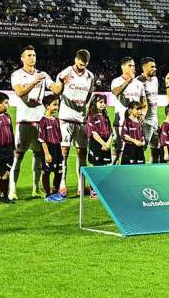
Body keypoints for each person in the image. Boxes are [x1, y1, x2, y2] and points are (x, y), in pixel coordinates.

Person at [52, 49, 95, 198]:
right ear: (75, 59)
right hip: (65, 118)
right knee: (64, 152)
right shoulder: (65, 73)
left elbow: (89, 94)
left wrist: (84, 108)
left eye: (85, 64)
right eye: (80, 63)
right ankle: (62, 183)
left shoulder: (90, 76)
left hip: (81, 119)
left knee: (81, 152)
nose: (82, 66)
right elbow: (56, 92)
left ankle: (80, 185)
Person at [10, 45, 52, 199]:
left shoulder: (43, 74)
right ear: (22, 58)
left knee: (38, 156)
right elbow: (20, 92)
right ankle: (12, 189)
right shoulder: (17, 75)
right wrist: (35, 81)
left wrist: (61, 83)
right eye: (28, 55)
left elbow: (54, 88)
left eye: (34, 55)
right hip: (24, 121)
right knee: (18, 156)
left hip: (39, 121)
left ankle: (36, 188)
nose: (32, 57)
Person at [109, 57, 145, 161]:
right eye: (130, 65)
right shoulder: (116, 81)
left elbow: (143, 102)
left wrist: (142, 113)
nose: (133, 67)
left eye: (133, 65)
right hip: (120, 121)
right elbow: (116, 92)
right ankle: (114, 167)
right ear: (122, 67)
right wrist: (128, 81)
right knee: (117, 148)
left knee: (133, 149)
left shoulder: (139, 84)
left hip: (135, 123)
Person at [38, 94, 64, 202]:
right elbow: (42, 139)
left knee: (59, 171)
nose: (56, 107)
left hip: (57, 147)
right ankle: (48, 195)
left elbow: (59, 136)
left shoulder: (56, 120)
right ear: (47, 106)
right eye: (54, 105)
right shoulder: (43, 121)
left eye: (57, 105)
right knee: (47, 171)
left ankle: (55, 192)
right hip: (48, 147)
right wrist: (47, 153)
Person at [137, 57, 160, 163]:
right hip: (144, 120)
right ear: (144, 67)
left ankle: (152, 170)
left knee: (156, 148)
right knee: (142, 147)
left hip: (155, 119)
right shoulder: (138, 81)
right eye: (152, 67)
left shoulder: (155, 80)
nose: (155, 68)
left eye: (155, 66)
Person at [85, 95, 115, 178]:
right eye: (100, 102)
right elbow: (93, 133)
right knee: (95, 166)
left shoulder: (106, 116)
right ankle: (93, 188)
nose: (103, 104)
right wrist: (103, 144)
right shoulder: (91, 116)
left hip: (106, 144)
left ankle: (102, 186)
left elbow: (111, 132)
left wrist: (108, 143)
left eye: (104, 102)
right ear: (94, 103)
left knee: (104, 166)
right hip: (96, 143)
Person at [119, 100, 148, 166]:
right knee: (128, 169)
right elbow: (124, 135)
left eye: (140, 109)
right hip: (130, 149)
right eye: (137, 109)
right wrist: (134, 141)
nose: (139, 111)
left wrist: (143, 141)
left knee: (141, 168)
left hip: (140, 149)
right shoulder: (127, 121)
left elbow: (142, 134)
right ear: (130, 110)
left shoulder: (140, 121)